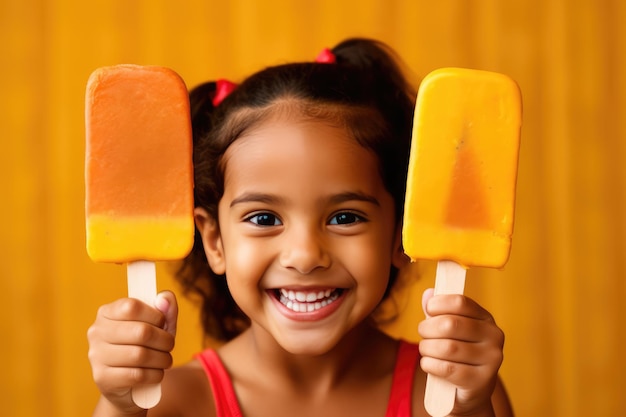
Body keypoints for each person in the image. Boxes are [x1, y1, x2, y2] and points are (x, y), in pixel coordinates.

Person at [87, 38, 513, 417]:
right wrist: (119, 408)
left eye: (344, 217)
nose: (306, 255)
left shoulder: (458, 396)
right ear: (214, 239)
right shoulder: (174, 403)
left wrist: (472, 410)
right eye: (265, 219)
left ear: (401, 233)